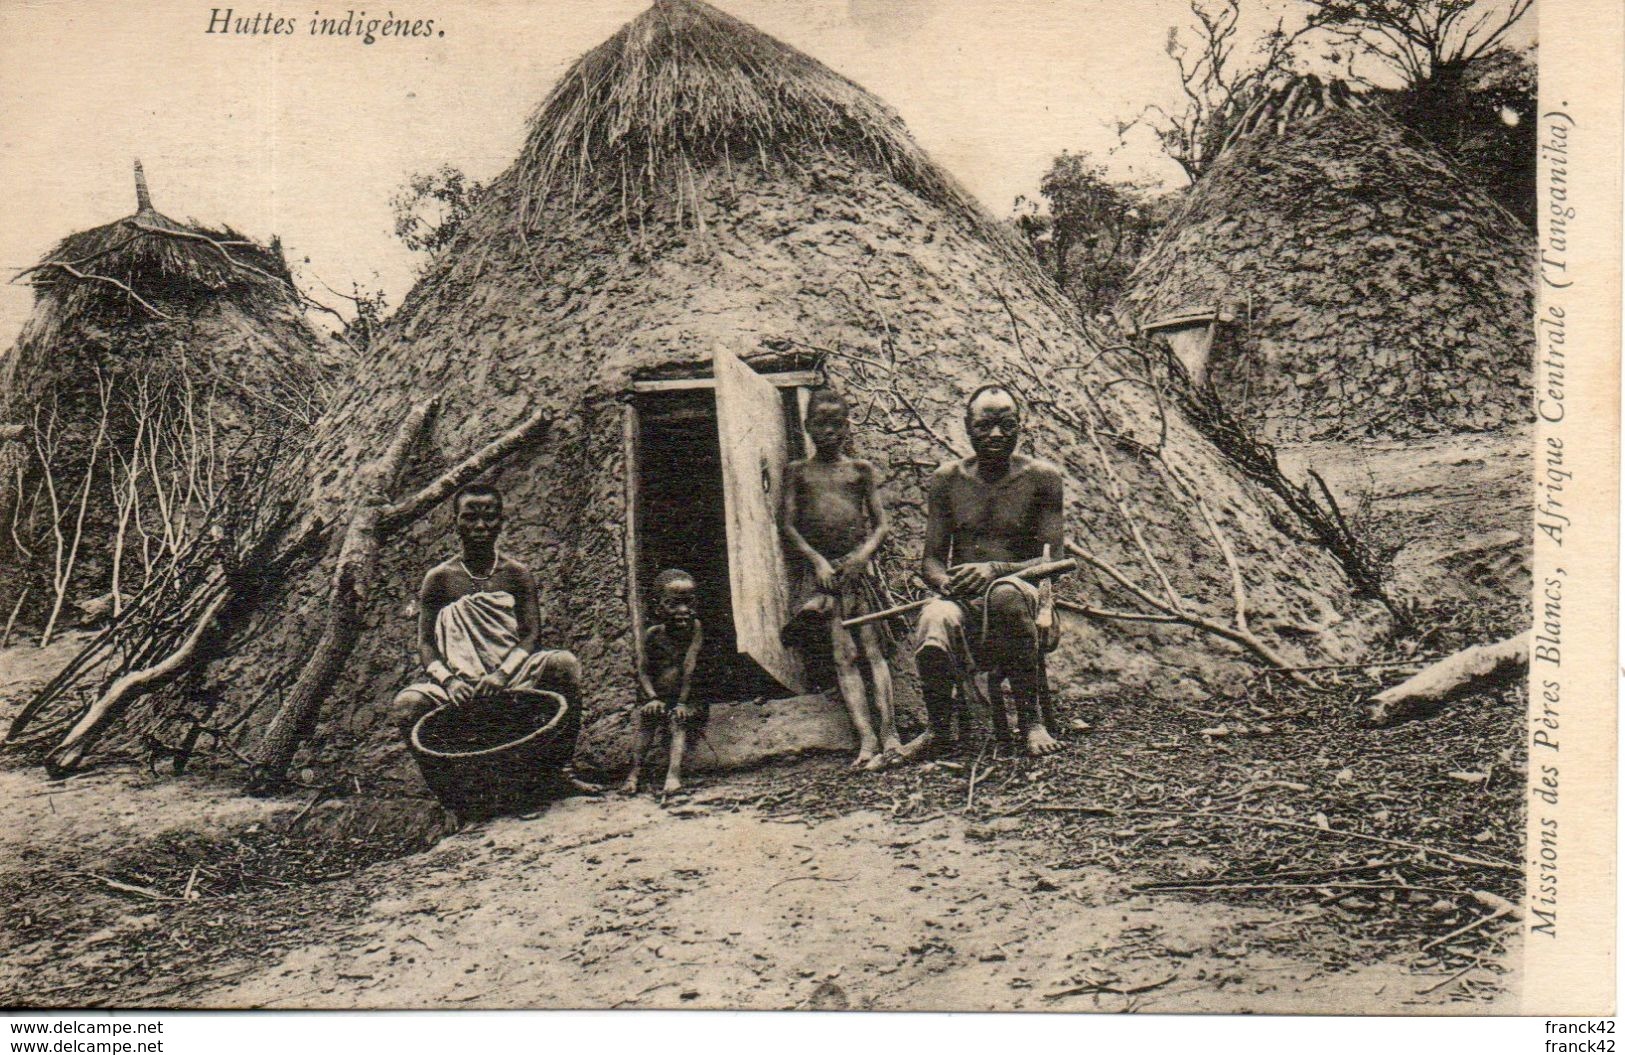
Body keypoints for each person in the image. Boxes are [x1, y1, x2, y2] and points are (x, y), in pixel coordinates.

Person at [390, 483, 591, 790]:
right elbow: (426, 644)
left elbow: (531, 635)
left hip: (511, 675)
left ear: (501, 521)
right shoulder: (440, 578)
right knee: (406, 704)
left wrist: (501, 674)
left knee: (565, 663)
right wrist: (449, 681)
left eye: (489, 517)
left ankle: (559, 770)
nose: (480, 526)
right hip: (460, 684)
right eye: (470, 517)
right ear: (455, 521)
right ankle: (451, 796)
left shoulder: (516, 574)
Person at [905, 385, 1065, 760]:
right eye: (984, 426)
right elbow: (930, 561)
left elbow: (1053, 560)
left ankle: (1030, 722)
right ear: (967, 427)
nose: (995, 435)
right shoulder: (947, 480)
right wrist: (947, 583)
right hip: (965, 602)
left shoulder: (1043, 478)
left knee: (1005, 594)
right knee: (933, 617)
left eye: (1006, 426)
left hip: (1023, 597)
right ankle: (939, 730)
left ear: (1020, 427)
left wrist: (996, 569)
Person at [780, 388, 901, 771]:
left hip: (857, 573)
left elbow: (881, 525)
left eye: (836, 423)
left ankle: (891, 735)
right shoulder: (798, 472)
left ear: (847, 426)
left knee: (873, 650)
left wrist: (862, 557)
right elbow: (787, 525)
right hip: (826, 578)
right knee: (843, 656)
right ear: (807, 427)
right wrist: (817, 562)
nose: (829, 431)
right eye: (821, 423)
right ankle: (865, 739)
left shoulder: (860, 471)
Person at [623, 568, 706, 796]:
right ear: (658, 607)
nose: (683, 611)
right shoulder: (652, 634)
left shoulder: (695, 629)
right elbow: (643, 670)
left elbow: (691, 667)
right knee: (648, 718)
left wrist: (682, 703)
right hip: (660, 697)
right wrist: (652, 698)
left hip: (687, 699)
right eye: (673, 604)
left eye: (689, 603)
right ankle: (634, 774)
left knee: (677, 721)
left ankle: (673, 775)